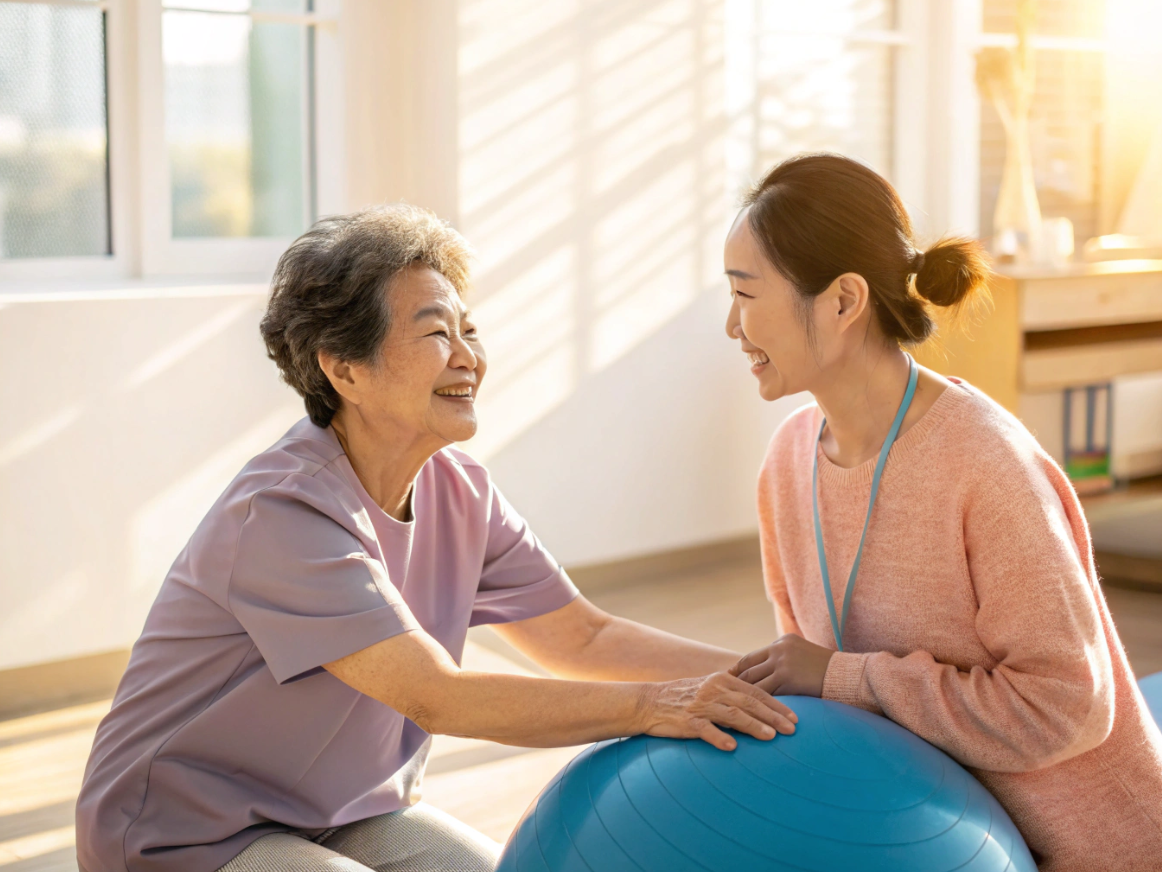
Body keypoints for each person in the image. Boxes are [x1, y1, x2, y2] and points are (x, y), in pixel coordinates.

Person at [75, 205, 798, 872]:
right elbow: (436, 698)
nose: (467, 356)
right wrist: (655, 706)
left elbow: (584, 639)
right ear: (345, 368)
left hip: (340, 816)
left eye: (468, 328)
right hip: (181, 833)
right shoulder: (284, 513)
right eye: (434, 333)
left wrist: (774, 678)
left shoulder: (460, 489)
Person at [723, 153, 1162, 871]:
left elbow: (1071, 707)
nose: (733, 326)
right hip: (931, 840)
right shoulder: (787, 462)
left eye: (745, 294)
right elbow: (825, 695)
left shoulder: (985, 465)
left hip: (1096, 851)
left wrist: (845, 676)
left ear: (842, 301)